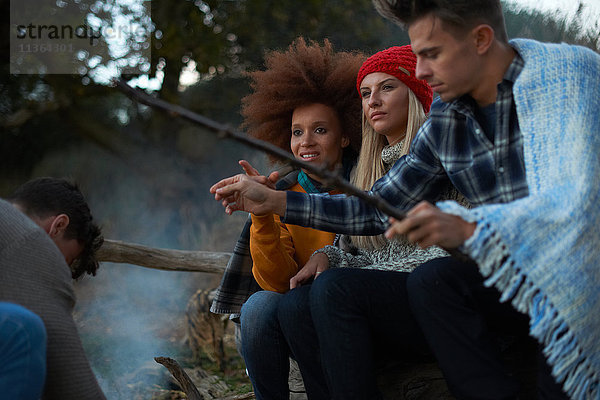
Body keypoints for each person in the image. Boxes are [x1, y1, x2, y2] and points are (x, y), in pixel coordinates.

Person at [210, 0, 600, 398]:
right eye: (418, 57)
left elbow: (582, 201)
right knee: (432, 281)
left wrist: (472, 229)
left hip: (573, 275)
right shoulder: (448, 116)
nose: (423, 72)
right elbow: (376, 207)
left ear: (481, 39)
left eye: (431, 55)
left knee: (431, 277)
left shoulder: (568, 77)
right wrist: (273, 203)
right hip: (500, 278)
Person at [276, 45, 467, 399]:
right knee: (293, 305)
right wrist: (329, 256)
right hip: (383, 302)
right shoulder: (368, 170)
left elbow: (447, 251)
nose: (373, 101)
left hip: (434, 300)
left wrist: (348, 271)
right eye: (365, 93)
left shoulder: (441, 152)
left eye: (387, 87)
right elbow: (357, 245)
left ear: (415, 92)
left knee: (335, 288)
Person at [210, 38, 364, 399]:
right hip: (295, 310)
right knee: (260, 305)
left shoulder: (368, 186)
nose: (305, 142)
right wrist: (263, 216)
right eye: (297, 132)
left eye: (320, 130)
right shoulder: (283, 192)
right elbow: (277, 284)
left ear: (345, 137)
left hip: (349, 313)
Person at [1, 177, 106, 399]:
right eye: (65, 260)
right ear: (58, 226)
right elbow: (72, 378)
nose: (61, 270)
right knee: (21, 329)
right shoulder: (33, 241)